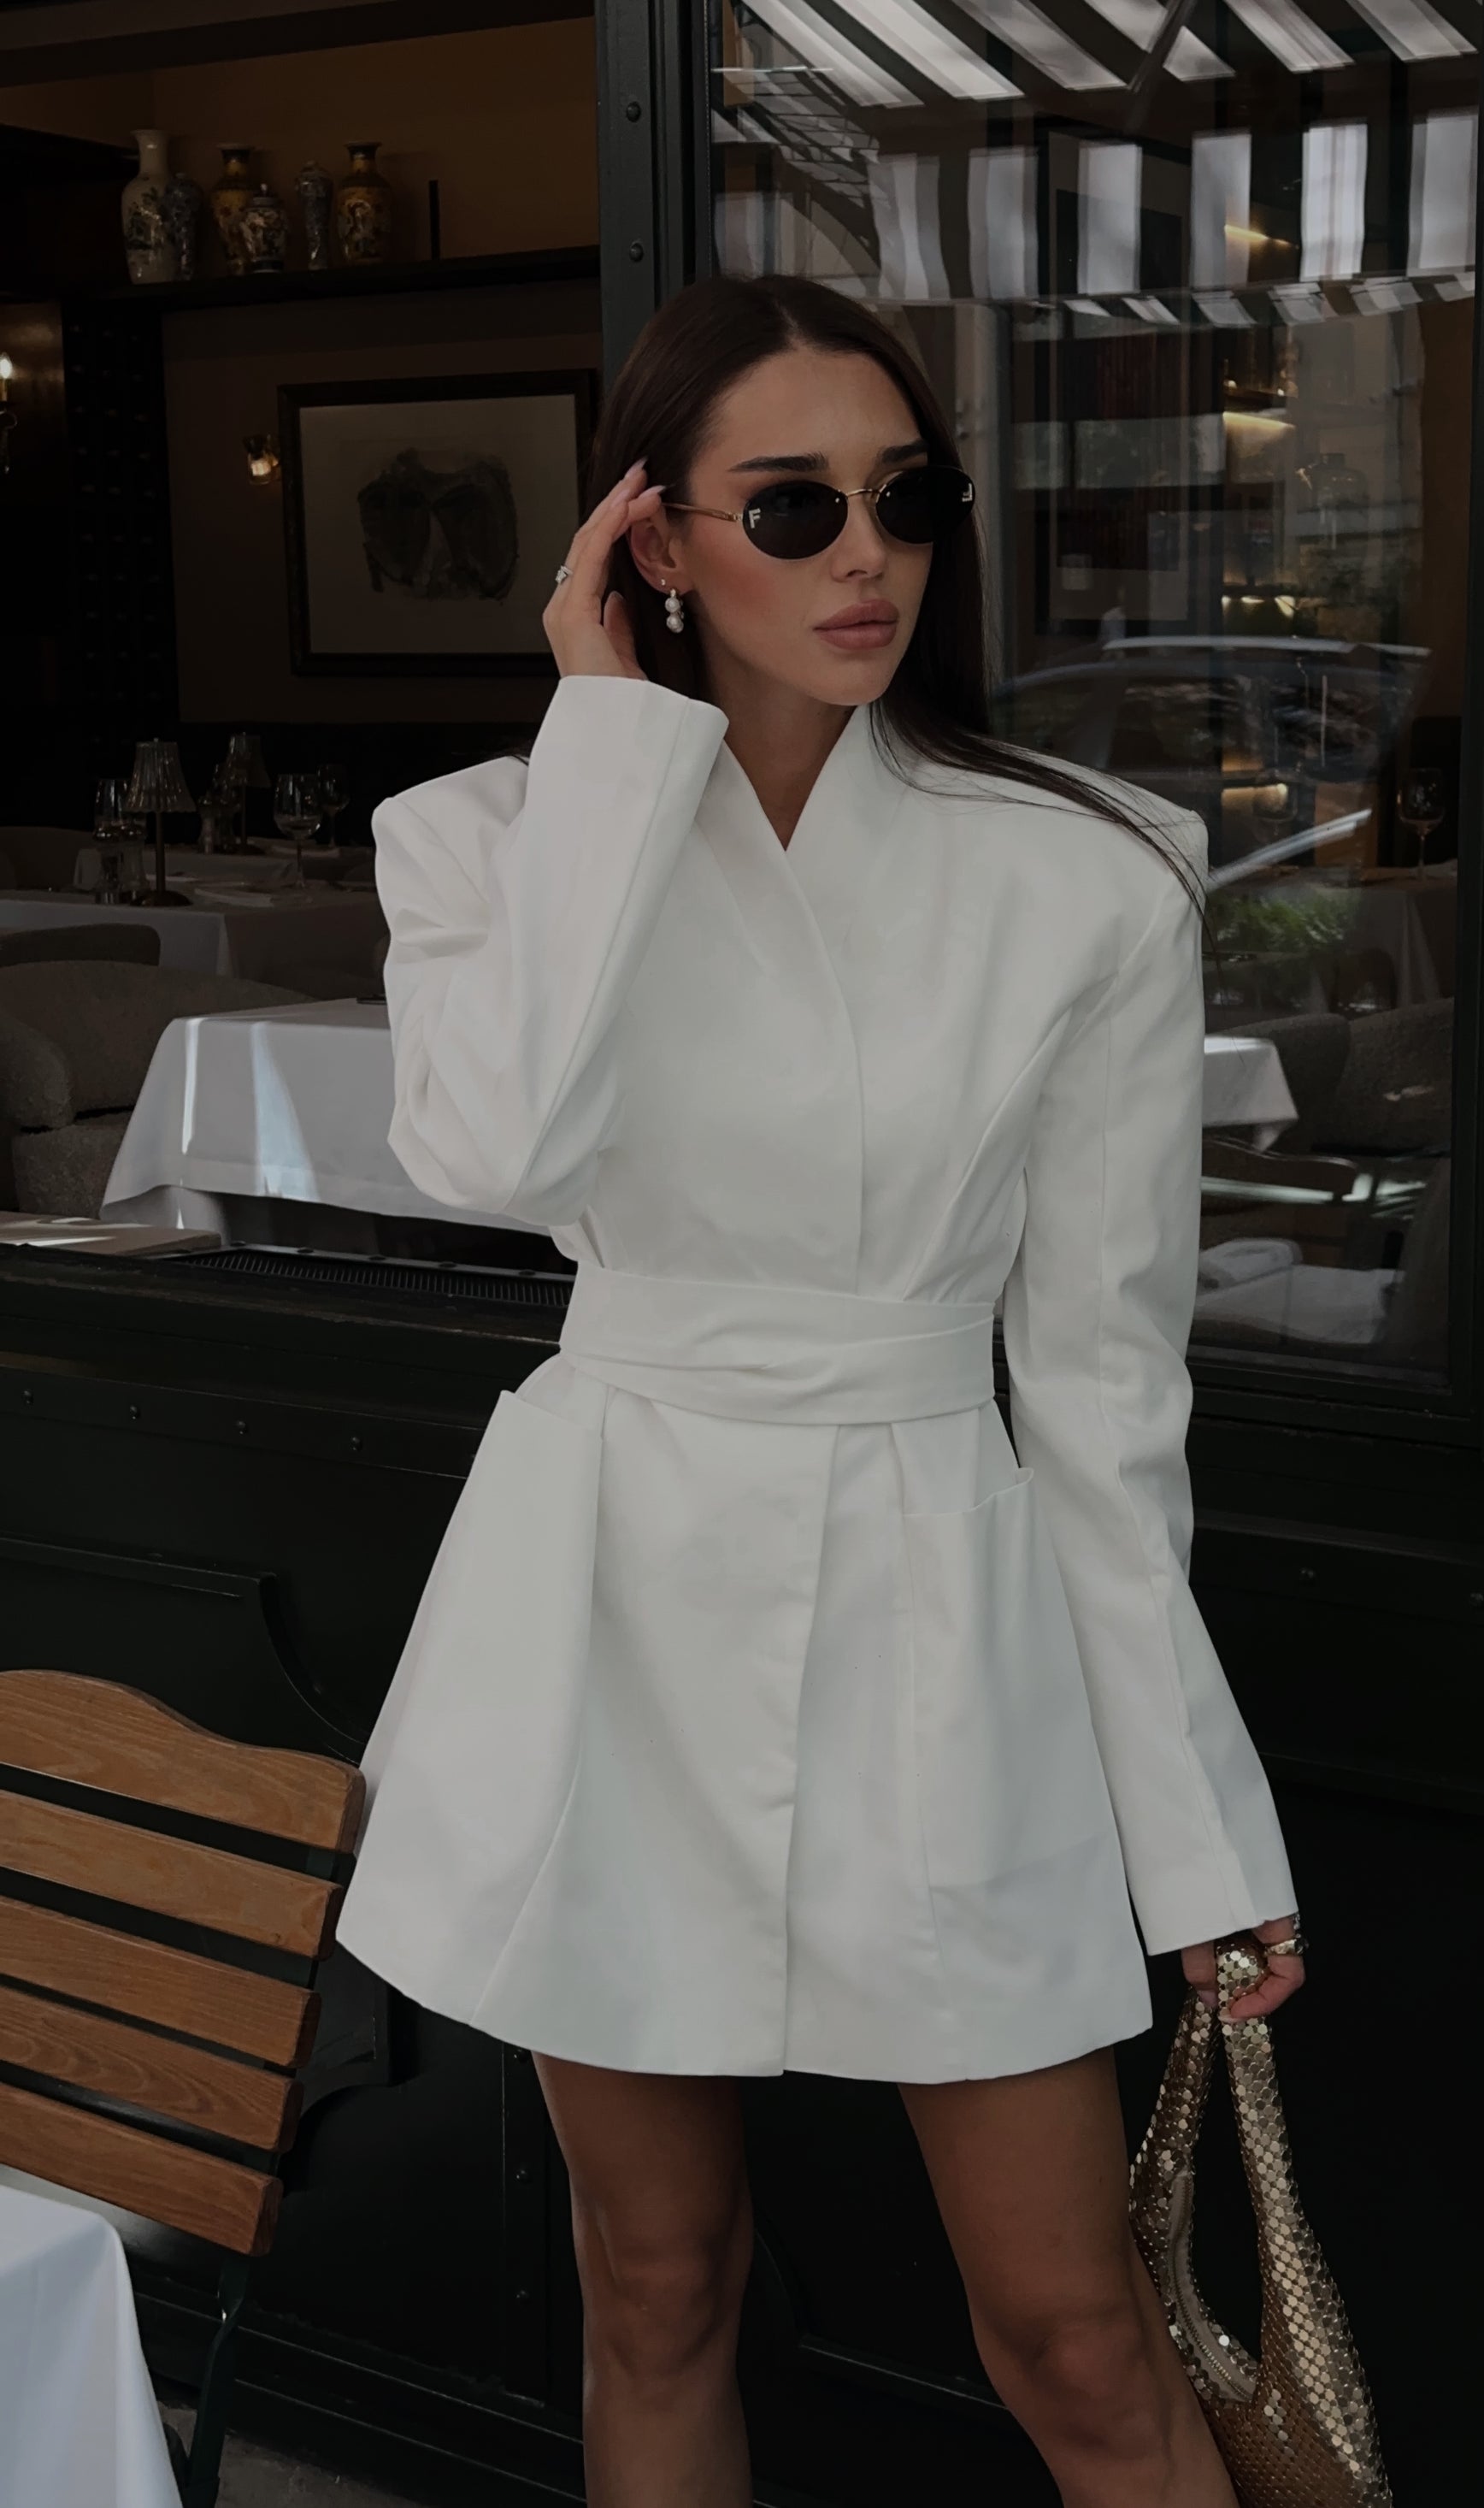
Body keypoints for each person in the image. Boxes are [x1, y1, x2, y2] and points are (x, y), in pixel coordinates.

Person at [336, 273, 1303, 2508]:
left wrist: (1196, 1835)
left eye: (906, 499)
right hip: (613, 1589)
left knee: (1079, 2329)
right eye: (791, 506)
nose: (865, 556)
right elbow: (487, 1155)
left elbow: (1101, 1383)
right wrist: (608, 734)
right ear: (650, 543)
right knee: (653, 2278)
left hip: (937, 1599)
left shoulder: (1082, 876)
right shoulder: (491, 839)